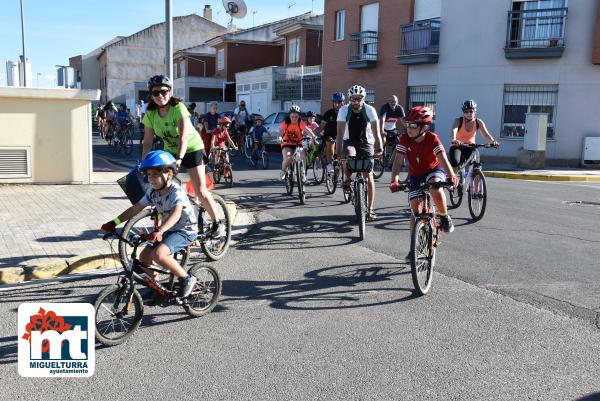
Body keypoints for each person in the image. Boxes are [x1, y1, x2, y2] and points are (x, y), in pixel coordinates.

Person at [100, 150, 198, 299]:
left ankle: (186, 279)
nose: (150, 179)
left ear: (169, 174)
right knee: (144, 257)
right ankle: (157, 289)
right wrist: (114, 222)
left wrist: (160, 230)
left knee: (159, 255)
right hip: (166, 229)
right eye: (149, 174)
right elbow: (136, 208)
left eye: (155, 175)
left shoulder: (176, 192)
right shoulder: (153, 192)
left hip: (184, 230)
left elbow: (176, 214)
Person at [141, 75, 224, 238]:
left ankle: (217, 223)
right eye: (155, 92)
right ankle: (177, 217)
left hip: (192, 148)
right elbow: (147, 143)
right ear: (151, 94)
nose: (160, 96)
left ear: (170, 92)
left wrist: (178, 160)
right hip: (170, 151)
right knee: (162, 186)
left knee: (200, 190)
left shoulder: (178, 107)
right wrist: (144, 164)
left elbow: (183, 137)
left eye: (163, 91)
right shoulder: (150, 113)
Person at [390, 106, 458, 248]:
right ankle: (414, 248)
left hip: (434, 170)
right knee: (415, 212)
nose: (409, 128)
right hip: (415, 175)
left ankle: (444, 216)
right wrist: (394, 180)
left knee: (434, 186)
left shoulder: (433, 139)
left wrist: (451, 175)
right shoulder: (404, 139)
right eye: (408, 124)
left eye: (413, 125)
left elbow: (443, 158)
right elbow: (397, 162)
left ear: (424, 127)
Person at [335, 85, 383, 221]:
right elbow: (339, 134)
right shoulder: (344, 110)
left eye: (359, 99)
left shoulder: (370, 110)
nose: (356, 102)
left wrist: (380, 149)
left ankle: (371, 209)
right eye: (353, 99)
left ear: (363, 98)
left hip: (366, 142)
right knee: (348, 157)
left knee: (368, 174)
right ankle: (347, 180)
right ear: (349, 99)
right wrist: (338, 153)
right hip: (349, 141)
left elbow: (376, 132)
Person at [449, 99, 499, 174]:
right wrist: (454, 139)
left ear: (475, 111)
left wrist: (492, 141)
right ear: (463, 112)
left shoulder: (478, 122)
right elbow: (454, 130)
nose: (469, 113)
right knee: (455, 162)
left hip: (471, 147)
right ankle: (453, 182)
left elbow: (486, 134)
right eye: (466, 111)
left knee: (477, 167)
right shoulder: (458, 120)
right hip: (457, 146)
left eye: (471, 111)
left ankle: (476, 186)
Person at [279, 105, 316, 181]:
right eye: (292, 116)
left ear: (299, 116)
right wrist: (279, 137)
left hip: (298, 143)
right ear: (289, 116)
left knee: (302, 155)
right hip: (287, 143)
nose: (294, 118)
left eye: (296, 116)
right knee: (288, 158)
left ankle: (303, 174)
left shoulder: (300, 123)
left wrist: (313, 136)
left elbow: (307, 130)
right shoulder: (286, 122)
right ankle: (283, 171)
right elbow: (280, 133)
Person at [318, 92, 345, 173]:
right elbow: (321, 127)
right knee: (331, 142)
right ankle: (329, 164)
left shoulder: (346, 113)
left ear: (343, 102)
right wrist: (310, 133)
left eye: (339, 102)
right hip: (330, 135)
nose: (337, 104)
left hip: (342, 136)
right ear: (333, 102)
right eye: (335, 102)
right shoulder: (328, 113)